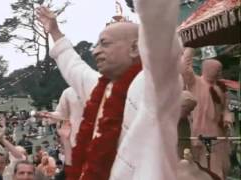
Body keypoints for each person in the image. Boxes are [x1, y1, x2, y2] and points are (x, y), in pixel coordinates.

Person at [36, 0, 182, 179]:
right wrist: (55, 31)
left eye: (104, 44)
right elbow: (74, 67)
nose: (95, 51)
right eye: (96, 45)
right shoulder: (101, 87)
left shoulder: (153, 82)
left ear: (136, 48)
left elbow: (161, 40)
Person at [181, 48, 234, 179]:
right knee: (202, 165)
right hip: (199, 131)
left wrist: (228, 118)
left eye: (219, 70)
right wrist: (190, 50)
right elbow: (185, 69)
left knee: (218, 166)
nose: (218, 72)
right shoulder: (196, 82)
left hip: (218, 133)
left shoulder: (221, 88)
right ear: (207, 69)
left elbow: (226, 109)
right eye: (216, 69)